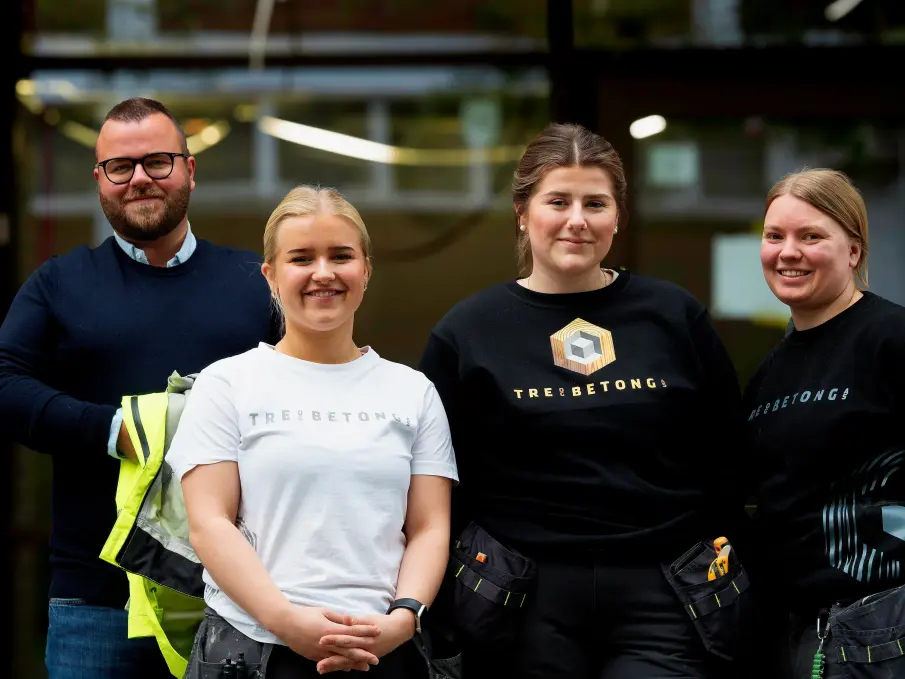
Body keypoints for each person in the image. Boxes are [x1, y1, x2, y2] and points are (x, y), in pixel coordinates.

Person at [418, 122, 750, 679]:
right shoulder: (468, 332)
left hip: (665, 592)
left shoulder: (673, 316)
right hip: (520, 597)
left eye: (595, 202)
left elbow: (727, 452)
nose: (577, 219)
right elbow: (436, 479)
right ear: (523, 213)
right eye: (558, 201)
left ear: (618, 215)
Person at [0, 97, 280, 679]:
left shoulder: (257, 285)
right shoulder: (58, 284)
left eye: (157, 162)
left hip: (238, 595)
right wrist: (115, 431)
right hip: (97, 602)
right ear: (100, 180)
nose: (139, 180)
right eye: (120, 167)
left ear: (190, 169)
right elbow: (6, 385)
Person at [165, 185, 459, 678]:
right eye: (301, 258)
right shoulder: (227, 383)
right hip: (256, 650)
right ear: (271, 275)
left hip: (382, 652)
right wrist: (286, 621)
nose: (323, 273)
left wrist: (404, 619)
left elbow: (429, 526)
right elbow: (209, 524)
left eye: (340, 256)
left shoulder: (413, 391)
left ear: (365, 269)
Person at [744, 169, 905, 679]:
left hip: (885, 627)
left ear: (853, 251)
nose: (788, 252)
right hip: (796, 631)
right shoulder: (769, 373)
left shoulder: (891, 339)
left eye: (811, 236)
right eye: (775, 236)